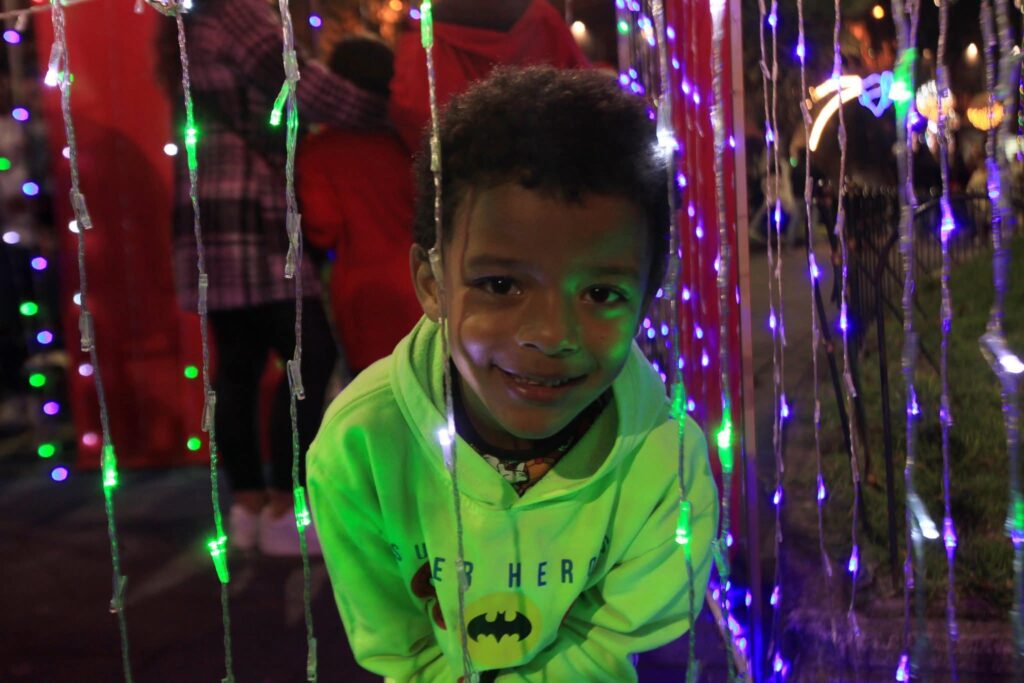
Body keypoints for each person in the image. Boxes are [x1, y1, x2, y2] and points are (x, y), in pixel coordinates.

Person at [308, 66, 717, 680]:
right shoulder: (360, 448)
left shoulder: (667, 465)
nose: (551, 335)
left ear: (646, 298)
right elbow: (405, 651)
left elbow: (608, 646)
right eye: (500, 285)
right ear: (432, 284)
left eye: (601, 293)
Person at [159, 0, 386, 556]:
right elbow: (306, 88)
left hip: (207, 209)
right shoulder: (237, 15)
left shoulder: (191, 20)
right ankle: (287, 506)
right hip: (252, 211)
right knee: (308, 357)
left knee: (237, 365)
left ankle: (248, 506)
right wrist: (387, 110)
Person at [296, 36, 422, 376]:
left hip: (361, 293)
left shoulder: (318, 150)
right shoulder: (406, 142)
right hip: (418, 282)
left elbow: (323, 228)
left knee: (374, 390)